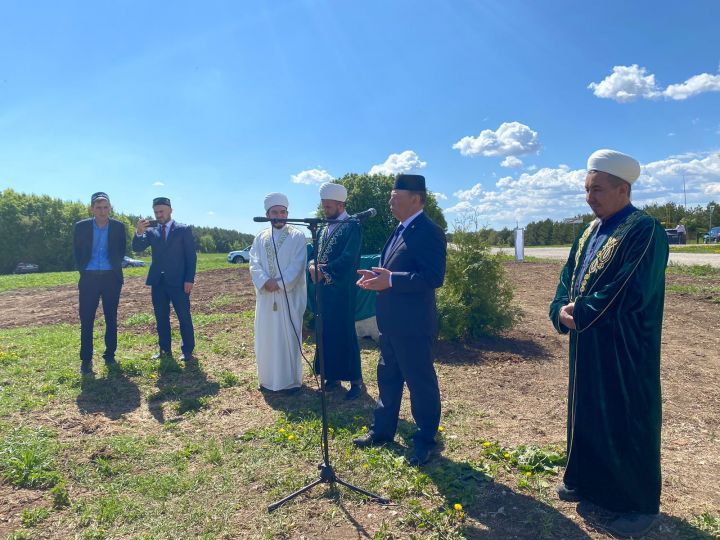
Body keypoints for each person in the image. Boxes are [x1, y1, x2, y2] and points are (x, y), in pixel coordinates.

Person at [549, 149, 668, 538]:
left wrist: (579, 312)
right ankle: (587, 480)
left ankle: (638, 503)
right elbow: (569, 275)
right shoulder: (588, 231)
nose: (590, 197)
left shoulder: (643, 230)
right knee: (586, 410)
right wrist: (559, 308)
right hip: (588, 341)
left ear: (623, 189)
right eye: (586, 189)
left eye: (597, 189)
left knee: (626, 417)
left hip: (625, 348)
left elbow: (629, 290)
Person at [354, 174, 446, 466]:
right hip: (391, 322)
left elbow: (433, 277)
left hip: (414, 325)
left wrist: (391, 280)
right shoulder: (398, 230)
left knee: (420, 385)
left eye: (396, 196)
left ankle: (424, 441)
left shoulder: (429, 231)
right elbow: (392, 271)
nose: (390, 201)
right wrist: (378, 277)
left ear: (416, 198)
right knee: (388, 377)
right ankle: (382, 431)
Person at [308, 182, 364, 400]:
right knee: (326, 332)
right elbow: (314, 252)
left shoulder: (353, 226)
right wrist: (312, 266)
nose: (325, 210)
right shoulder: (322, 228)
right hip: (323, 292)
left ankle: (356, 382)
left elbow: (349, 259)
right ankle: (332, 377)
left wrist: (326, 272)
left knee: (344, 333)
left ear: (341, 204)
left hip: (342, 290)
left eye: (329, 207)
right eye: (323, 206)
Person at [249, 193, 308, 392]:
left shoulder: (297, 236)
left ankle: (290, 382)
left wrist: (280, 283)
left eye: (283, 212)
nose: (279, 216)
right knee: (266, 337)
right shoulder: (260, 236)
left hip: (287, 297)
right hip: (266, 297)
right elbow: (253, 262)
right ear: (267, 214)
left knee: (287, 338)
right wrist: (265, 281)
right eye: (275, 212)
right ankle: (267, 380)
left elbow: (298, 264)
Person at [132, 197, 197, 361]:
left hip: (180, 282)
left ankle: (187, 350)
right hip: (158, 282)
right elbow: (137, 248)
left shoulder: (183, 230)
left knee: (184, 316)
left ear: (170, 210)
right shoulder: (150, 231)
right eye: (156, 212)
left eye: (161, 211)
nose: (158, 215)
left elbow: (191, 257)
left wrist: (189, 279)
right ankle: (164, 349)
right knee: (161, 317)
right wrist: (139, 232)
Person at [73, 192, 127, 375]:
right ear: (92, 209)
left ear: (110, 208)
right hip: (89, 278)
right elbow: (77, 251)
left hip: (111, 278)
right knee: (86, 319)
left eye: (105, 207)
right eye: (99, 207)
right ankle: (86, 360)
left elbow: (121, 251)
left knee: (111, 317)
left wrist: (111, 267)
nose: (102, 211)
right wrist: (84, 270)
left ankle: (110, 355)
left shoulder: (119, 227)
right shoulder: (81, 227)